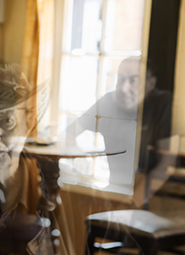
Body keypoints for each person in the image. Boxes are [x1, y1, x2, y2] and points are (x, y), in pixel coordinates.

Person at [65, 57, 175, 186]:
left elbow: (167, 164)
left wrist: (138, 196)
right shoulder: (107, 102)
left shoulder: (164, 103)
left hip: (156, 193)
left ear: (151, 84)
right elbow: (69, 133)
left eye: (134, 80)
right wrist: (79, 156)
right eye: (120, 79)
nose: (124, 88)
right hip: (116, 188)